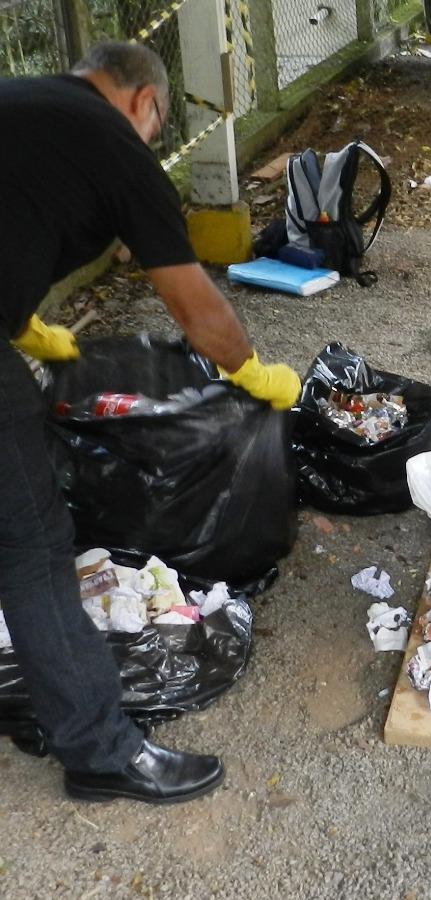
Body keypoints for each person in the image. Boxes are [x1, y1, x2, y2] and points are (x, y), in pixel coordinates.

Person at [0, 41, 300, 803]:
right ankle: (100, 752)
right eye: (158, 123)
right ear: (143, 102)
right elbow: (196, 307)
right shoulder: (112, 143)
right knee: (33, 550)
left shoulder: (21, 100)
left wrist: (23, 326)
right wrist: (251, 372)